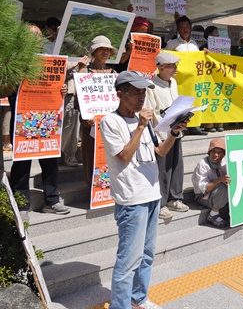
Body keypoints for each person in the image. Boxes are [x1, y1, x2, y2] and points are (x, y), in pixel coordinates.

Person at [99, 71, 188, 309]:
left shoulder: (144, 121)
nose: (141, 97)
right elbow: (124, 156)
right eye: (136, 92)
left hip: (152, 196)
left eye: (143, 92)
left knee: (147, 254)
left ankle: (138, 298)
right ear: (120, 94)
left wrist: (174, 133)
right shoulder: (110, 121)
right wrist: (139, 126)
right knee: (128, 259)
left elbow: (160, 151)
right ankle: (121, 306)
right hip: (131, 200)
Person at [4, 24, 71, 219]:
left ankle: (52, 200)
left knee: (50, 161)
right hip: (22, 120)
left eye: (39, 38)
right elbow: (3, 90)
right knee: (22, 163)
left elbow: (55, 85)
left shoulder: (48, 61)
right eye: (32, 37)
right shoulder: (14, 62)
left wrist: (62, 90)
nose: (36, 41)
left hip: (47, 119)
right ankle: (22, 204)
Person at [144, 52, 189, 220]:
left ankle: (175, 197)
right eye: (171, 66)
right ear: (161, 67)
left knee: (177, 164)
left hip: (177, 129)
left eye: (175, 65)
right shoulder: (151, 85)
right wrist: (158, 132)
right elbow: (151, 110)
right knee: (163, 168)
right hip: (162, 132)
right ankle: (161, 202)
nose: (175, 69)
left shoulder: (174, 82)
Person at [69, 36, 117, 186]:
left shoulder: (114, 73)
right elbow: (79, 98)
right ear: (93, 52)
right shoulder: (85, 71)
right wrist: (85, 119)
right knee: (90, 155)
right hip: (91, 123)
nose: (105, 52)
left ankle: (110, 188)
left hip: (111, 123)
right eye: (101, 49)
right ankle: (92, 189)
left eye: (108, 49)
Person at [165, 16, 207, 136]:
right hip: (179, 80)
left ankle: (194, 126)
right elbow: (166, 58)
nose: (185, 29)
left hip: (193, 80)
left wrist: (204, 54)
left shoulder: (194, 44)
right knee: (180, 102)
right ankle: (181, 126)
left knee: (193, 101)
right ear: (177, 29)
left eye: (187, 27)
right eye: (182, 27)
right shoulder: (172, 44)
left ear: (191, 28)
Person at [191, 138, 231, 228]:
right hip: (202, 195)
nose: (216, 155)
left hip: (217, 193)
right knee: (222, 186)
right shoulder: (202, 164)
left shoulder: (224, 162)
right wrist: (219, 180)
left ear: (224, 154)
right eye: (213, 152)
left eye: (219, 152)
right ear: (209, 152)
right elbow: (204, 189)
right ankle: (213, 213)